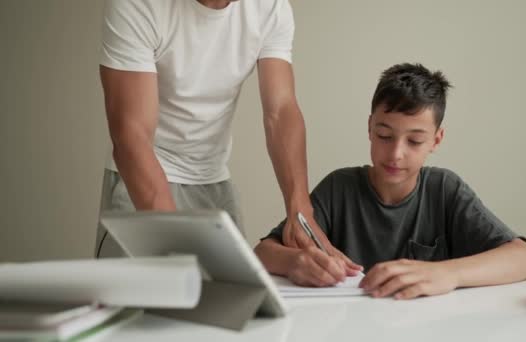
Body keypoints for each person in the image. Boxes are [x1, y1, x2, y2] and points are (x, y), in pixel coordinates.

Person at [94, 0, 360, 271]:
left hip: (213, 181)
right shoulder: (137, 5)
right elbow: (131, 137)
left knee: (236, 303)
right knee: (139, 307)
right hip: (142, 179)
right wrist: (171, 239)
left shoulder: (270, 8)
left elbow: (280, 111)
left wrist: (299, 208)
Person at [254, 62, 526, 299]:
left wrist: (447, 273)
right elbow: (263, 251)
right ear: (369, 128)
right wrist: (294, 262)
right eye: (384, 136)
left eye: (414, 140)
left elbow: (524, 258)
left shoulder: (444, 190)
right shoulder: (339, 188)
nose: (396, 154)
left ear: (436, 140)